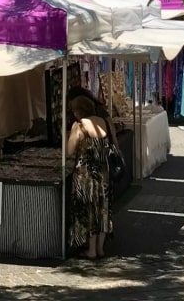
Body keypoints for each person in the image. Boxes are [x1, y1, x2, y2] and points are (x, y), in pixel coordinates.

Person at [67, 95, 112, 259]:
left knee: (88, 210)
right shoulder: (102, 122)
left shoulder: (79, 126)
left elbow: (69, 151)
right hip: (103, 172)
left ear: (78, 111)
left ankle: (91, 250)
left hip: (85, 174)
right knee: (102, 208)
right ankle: (100, 248)